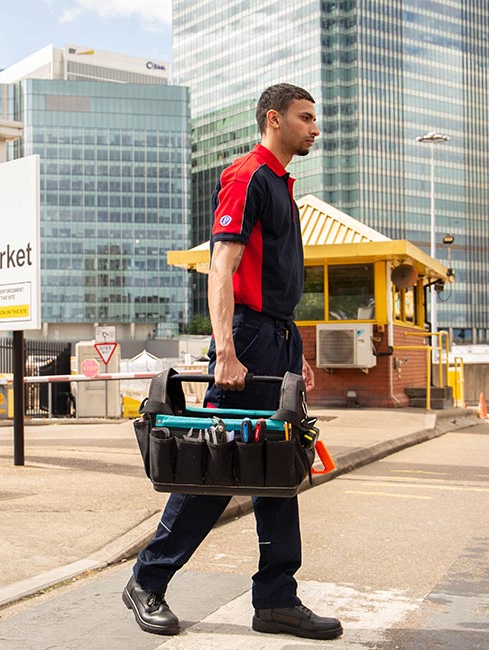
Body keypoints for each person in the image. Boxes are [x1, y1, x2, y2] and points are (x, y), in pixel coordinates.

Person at [123, 83, 343, 640]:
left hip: (277, 337)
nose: (316, 128)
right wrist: (226, 349)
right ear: (275, 119)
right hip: (247, 338)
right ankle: (147, 581)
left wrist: (296, 354)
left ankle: (275, 600)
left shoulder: (280, 183)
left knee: (277, 469)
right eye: (306, 118)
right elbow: (222, 269)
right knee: (217, 464)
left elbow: (276, 281)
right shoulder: (246, 177)